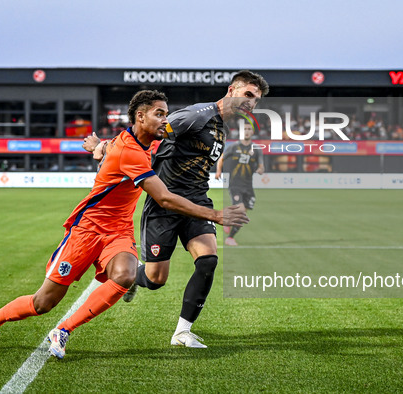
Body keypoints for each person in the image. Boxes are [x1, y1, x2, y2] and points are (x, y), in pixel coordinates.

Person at [0, 90, 248, 359]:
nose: (166, 120)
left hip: (118, 230)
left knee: (126, 275)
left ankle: (63, 330)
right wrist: (216, 215)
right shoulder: (130, 152)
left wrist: (97, 145)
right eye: (159, 114)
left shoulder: (147, 141)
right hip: (87, 230)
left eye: (167, 114)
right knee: (43, 303)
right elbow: (164, 198)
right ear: (140, 117)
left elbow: (112, 146)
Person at [86, 70, 269, 348]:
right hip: (165, 203)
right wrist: (104, 146)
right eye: (248, 94)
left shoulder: (224, 128)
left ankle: (182, 332)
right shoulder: (197, 115)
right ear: (232, 90)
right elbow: (146, 132)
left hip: (197, 200)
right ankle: (134, 275)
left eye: (256, 99)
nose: (251, 102)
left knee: (208, 260)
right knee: (156, 279)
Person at [215, 121, 265, 246]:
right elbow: (221, 159)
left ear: (252, 132)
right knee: (241, 210)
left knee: (243, 213)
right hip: (235, 184)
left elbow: (261, 166)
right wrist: (218, 171)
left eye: (249, 129)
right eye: (245, 129)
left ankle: (227, 220)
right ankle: (230, 238)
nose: (247, 131)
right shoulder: (233, 146)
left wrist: (260, 170)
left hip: (248, 185)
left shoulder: (256, 149)